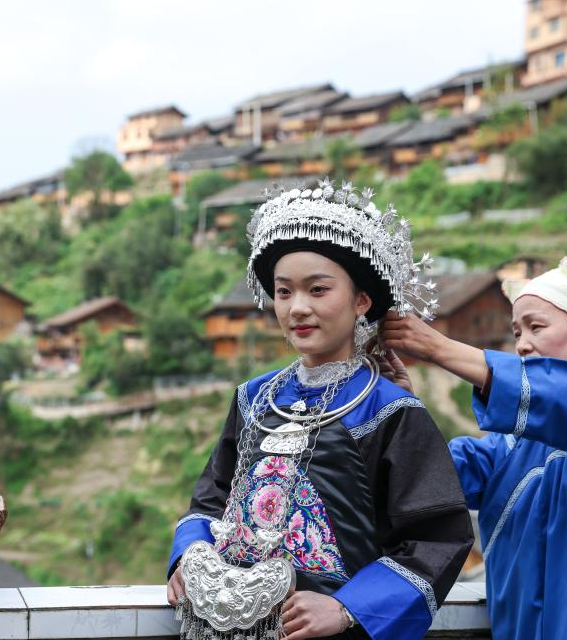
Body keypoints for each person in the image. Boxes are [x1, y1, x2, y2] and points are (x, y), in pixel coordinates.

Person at [166, 180, 473, 640]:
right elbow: (211, 499)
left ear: (361, 300)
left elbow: (435, 538)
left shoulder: (391, 411)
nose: (297, 308)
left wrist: (348, 607)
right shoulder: (253, 399)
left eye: (318, 289)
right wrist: (189, 556)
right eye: (284, 292)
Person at [376, 257, 567, 639]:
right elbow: (430, 476)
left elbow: (564, 397)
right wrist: (403, 409)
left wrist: (437, 347)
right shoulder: (505, 449)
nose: (522, 344)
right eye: (517, 332)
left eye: (536, 327)